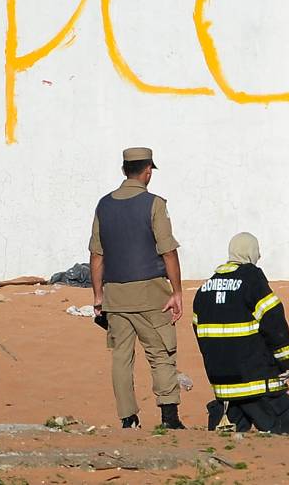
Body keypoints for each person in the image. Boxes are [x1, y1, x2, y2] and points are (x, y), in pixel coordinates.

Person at [89, 147, 185, 429]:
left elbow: (97, 255)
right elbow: (168, 251)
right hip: (150, 293)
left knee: (121, 359)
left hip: (115, 296)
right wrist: (177, 292)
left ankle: (127, 418)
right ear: (147, 172)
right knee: (161, 353)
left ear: (123, 171)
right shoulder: (154, 204)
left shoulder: (103, 205)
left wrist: (98, 296)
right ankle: (169, 417)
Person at [194, 232, 289, 435]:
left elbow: (200, 333)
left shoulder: (204, 289)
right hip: (256, 380)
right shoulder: (252, 281)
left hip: (223, 385)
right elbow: (274, 322)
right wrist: (286, 361)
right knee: (285, 431)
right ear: (251, 253)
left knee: (229, 441)